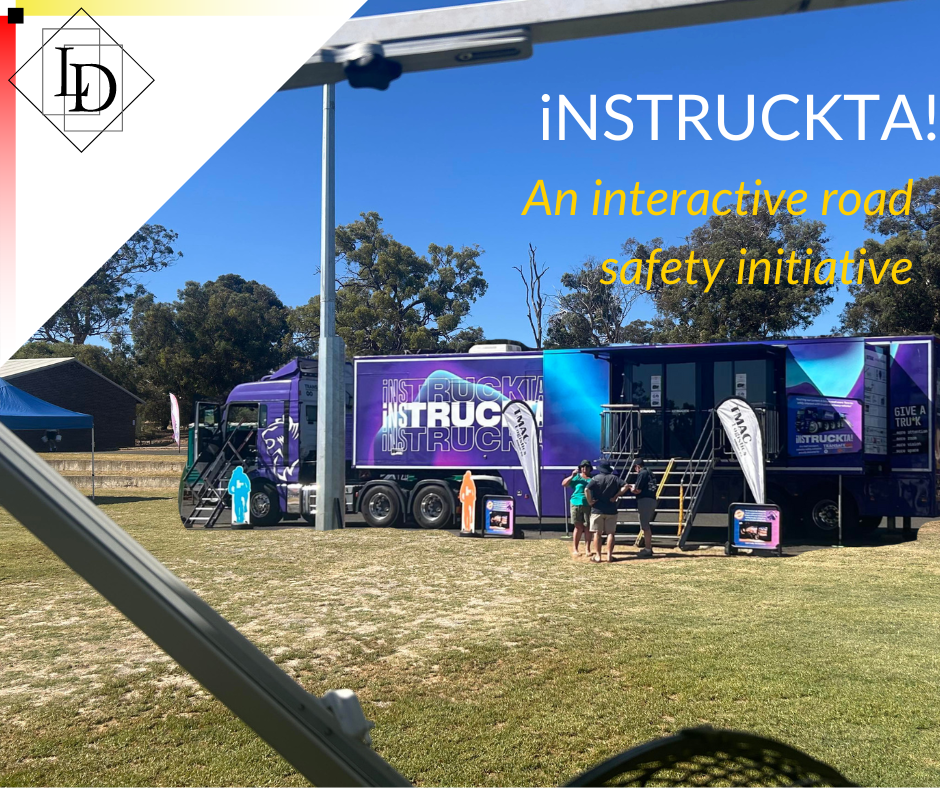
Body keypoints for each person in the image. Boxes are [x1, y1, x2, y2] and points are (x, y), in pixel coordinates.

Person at [585, 461, 630, 563]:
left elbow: (587, 489)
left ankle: (598, 556)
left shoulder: (596, 478)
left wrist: (590, 501)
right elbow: (626, 486)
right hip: (611, 509)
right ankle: (609, 556)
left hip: (597, 509)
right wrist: (616, 496)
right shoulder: (614, 478)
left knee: (597, 533)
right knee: (611, 533)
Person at [562, 460, 593, 557]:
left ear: (590, 468)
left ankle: (588, 549)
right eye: (583, 467)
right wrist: (572, 475)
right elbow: (564, 484)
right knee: (578, 527)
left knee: (588, 527)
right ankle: (575, 549)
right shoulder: (576, 477)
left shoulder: (592, 479)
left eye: (587, 467)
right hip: (575, 503)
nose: (585, 468)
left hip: (587, 504)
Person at [629, 458, 657, 558]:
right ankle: (648, 547)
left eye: (635, 468)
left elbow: (638, 490)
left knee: (645, 525)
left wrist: (631, 488)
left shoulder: (642, 473)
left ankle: (648, 548)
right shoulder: (650, 473)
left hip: (645, 500)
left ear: (637, 466)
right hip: (652, 499)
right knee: (646, 524)